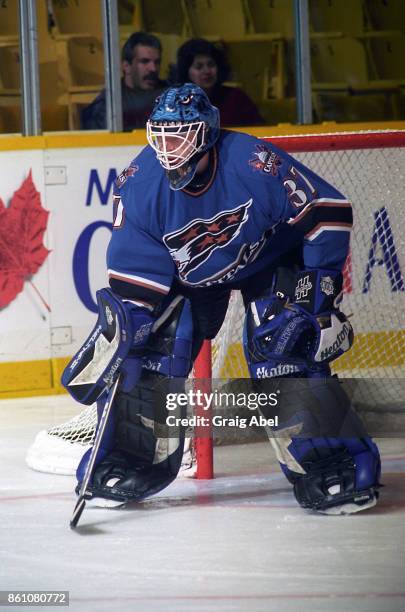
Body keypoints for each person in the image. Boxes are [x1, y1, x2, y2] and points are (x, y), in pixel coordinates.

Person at [63, 84, 381, 515]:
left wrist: (318, 294)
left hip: (270, 258)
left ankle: (332, 459)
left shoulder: (253, 162)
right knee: (153, 350)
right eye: (160, 136)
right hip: (189, 279)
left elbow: (328, 210)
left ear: (207, 135)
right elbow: (135, 274)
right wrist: (130, 328)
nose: (167, 149)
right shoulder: (139, 185)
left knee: (285, 344)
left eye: (179, 136)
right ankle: (129, 456)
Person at [81, 32, 167, 131]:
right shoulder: (108, 103)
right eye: (144, 61)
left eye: (157, 62)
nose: (153, 69)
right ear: (127, 66)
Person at [175, 38, 264, 127]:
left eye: (211, 65)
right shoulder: (177, 103)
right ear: (186, 72)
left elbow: (260, 131)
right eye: (199, 67)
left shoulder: (237, 98)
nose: (207, 71)